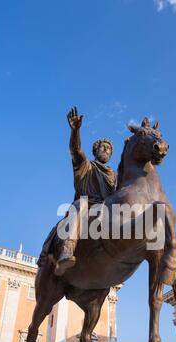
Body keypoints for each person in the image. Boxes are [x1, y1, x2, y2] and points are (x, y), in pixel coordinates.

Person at [37, 107, 117, 274]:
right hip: (86, 206)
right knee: (80, 205)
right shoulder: (85, 165)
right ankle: (67, 249)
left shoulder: (115, 175)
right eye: (102, 147)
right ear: (95, 151)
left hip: (107, 210)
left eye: (108, 149)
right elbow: (75, 150)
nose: (106, 150)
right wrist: (75, 131)